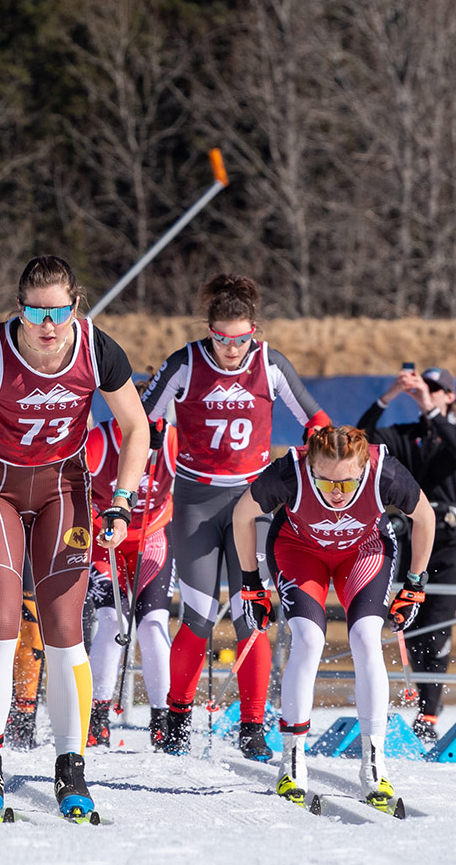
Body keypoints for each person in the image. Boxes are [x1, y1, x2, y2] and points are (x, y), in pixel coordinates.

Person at [0, 256, 147, 822]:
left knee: (67, 631)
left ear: (75, 306)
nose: (49, 324)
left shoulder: (97, 349)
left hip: (64, 489)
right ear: (21, 309)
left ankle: (71, 769)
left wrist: (120, 500)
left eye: (60, 310)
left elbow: (136, 427)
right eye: (38, 311)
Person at [139, 275, 331, 758]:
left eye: (240, 338)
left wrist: (320, 465)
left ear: (255, 332)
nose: (230, 349)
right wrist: (151, 443)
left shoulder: (270, 365)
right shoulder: (185, 363)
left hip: (253, 504)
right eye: (221, 338)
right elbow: (141, 418)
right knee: (200, 617)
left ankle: (251, 726)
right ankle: (175, 718)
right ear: (209, 331)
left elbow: (317, 421)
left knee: (252, 615)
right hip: (197, 502)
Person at [233, 425, 434, 811]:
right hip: (299, 550)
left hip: (363, 551)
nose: (337, 493)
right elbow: (243, 516)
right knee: (308, 641)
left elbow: (424, 517)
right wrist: (250, 584)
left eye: (346, 482)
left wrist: (415, 584)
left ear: (363, 468)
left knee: (365, 637)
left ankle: (374, 763)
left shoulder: (384, 473)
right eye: (324, 483)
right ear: (310, 466)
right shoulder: (288, 472)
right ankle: (292, 760)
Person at [356, 367, 456, 742]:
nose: (431, 393)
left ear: (449, 397)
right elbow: (363, 438)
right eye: (427, 388)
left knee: (438, 623)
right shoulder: (409, 435)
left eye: (439, 390)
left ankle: (429, 712)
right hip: (416, 537)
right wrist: (388, 395)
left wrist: (430, 408)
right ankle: (412, 703)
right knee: (409, 619)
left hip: (455, 541)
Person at [82, 418, 178, 748]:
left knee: (152, 624)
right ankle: (97, 717)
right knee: (112, 622)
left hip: (150, 538)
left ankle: (163, 719)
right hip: (105, 541)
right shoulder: (102, 440)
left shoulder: (170, 439)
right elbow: (70, 482)